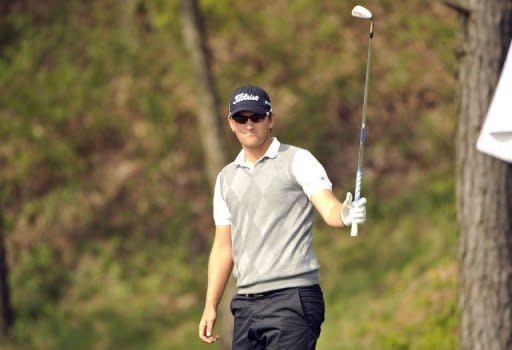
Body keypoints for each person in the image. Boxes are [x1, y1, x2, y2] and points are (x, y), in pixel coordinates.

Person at [198, 84, 367, 349]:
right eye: (241, 118)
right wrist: (210, 306)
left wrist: (346, 214)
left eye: (257, 117)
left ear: (271, 119)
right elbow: (223, 247)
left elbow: (329, 208)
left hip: (293, 298)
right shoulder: (225, 179)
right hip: (246, 304)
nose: (249, 125)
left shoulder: (298, 160)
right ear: (231, 123)